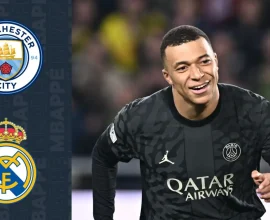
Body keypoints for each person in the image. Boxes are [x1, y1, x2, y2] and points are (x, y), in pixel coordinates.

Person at [91, 25, 270, 219]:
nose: (197, 75)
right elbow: (103, 157)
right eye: (183, 67)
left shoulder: (253, 111)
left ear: (216, 61)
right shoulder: (140, 118)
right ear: (168, 76)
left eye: (204, 61)